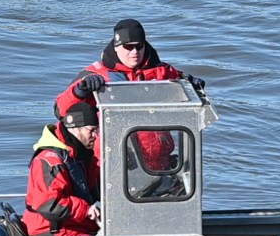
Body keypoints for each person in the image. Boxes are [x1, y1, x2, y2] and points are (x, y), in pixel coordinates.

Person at [53, 19, 206, 171]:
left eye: (139, 46)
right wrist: (80, 91)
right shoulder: (96, 74)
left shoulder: (162, 71)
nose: (135, 52)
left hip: (160, 161)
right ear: (117, 46)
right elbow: (61, 111)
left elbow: (183, 84)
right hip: (116, 160)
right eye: (129, 47)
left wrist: (192, 85)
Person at [22, 101, 102, 236]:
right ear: (74, 129)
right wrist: (86, 209)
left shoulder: (81, 157)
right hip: (51, 233)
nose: (95, 136)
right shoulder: (50, 160)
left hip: (73, 226)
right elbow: (48, 202)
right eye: (91, 131)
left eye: (97, 131)